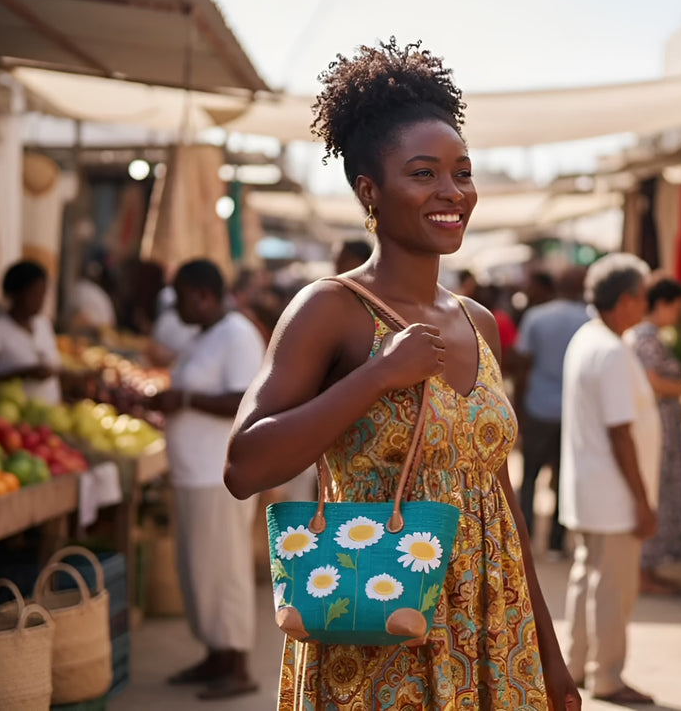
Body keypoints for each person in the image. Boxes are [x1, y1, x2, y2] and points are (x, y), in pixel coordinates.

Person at [224, 39, 580, 711]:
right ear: (370, 190)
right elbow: (244, 464)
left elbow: (499, 492)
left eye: (462, 172)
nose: (452, 192)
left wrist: (549, 652)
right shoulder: (333, 309)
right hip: (379, 633)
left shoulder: (478, 321)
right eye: (424, 173)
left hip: (491, 635)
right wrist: (377, 376)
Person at [150, 259, 265, 701]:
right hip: (194, 473)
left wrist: (187, 398)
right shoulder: (206, 336)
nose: (175, 306)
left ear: (201, 293)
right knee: (199, 570)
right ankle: (216, 655)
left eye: (180, 297)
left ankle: (237, 664)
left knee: (224, 570)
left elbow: (245, 399)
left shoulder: (236, 334)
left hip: (219, 475)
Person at [559, 253, 661, 706]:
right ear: (625, 300)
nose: (646, 306)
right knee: (612, 587)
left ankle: (579, 665)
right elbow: (621, 433)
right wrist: (642, 500)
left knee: (589, 579)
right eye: (642, 297)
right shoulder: (611, 349)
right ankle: (607, 676)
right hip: (613, 492)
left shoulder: (589, 339)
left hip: (589, 488)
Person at [626, 275, 681, 595]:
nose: (679, 315)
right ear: (662, 305)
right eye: (677, 308)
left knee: (661, 495)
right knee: (656, 494)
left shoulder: (647, 336)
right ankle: (644, 573)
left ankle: (650, 570)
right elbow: (653, 381)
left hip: (661, 427)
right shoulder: (645, 338)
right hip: (656, 429)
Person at [511, 267, 589, 558]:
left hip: (538, 407)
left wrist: (518, 406)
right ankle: (557, 542)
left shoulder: (537, 317)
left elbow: (523, 366)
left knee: (529, 475)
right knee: (563, 477)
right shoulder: (589, 320)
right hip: (572, 412)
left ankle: (525, 537)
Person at [0, 260, 61, 404]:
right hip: (11, 417)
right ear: (16, 293)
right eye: (35, 294)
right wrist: (23, 373)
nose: (40, 300)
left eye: (43, 294)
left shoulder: (43, 325)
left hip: (50, 413)